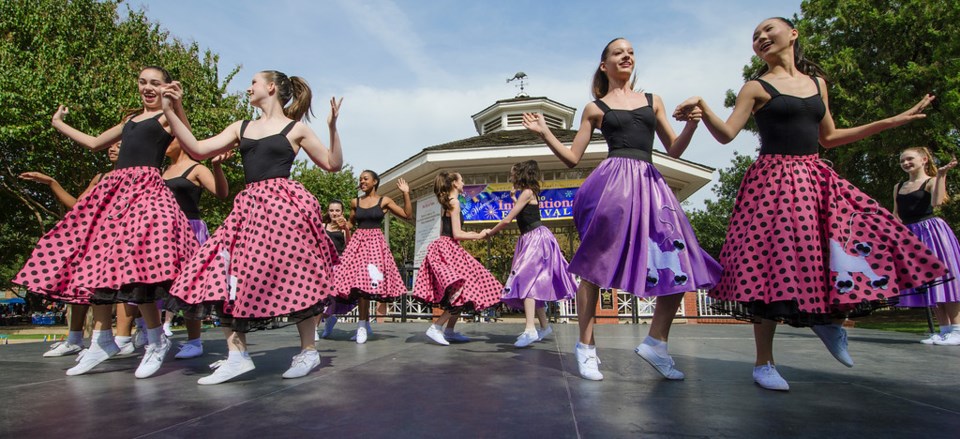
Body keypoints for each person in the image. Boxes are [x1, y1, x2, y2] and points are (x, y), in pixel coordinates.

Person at [673, 17, 947, 390]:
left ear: (793, 34)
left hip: (815, 177)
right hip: (772, 181)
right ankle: (764, 362)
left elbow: (830, 137)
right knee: (767, 265)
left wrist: (892, 120)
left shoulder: (817, 84)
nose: (761, 38)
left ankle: (828, 321)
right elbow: (726, 136)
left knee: (840, 243)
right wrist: (703, 107)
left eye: (768, 30)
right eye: (755, 36)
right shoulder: (755, 87)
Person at [522, 38, 721, 381]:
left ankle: (656, 343)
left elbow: (673, 149)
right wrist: (544, 132)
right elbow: (572, 159)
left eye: (631, 52)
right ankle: (585, 346)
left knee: (677, 260)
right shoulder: (594, 108)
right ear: (604, 65)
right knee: (595, 267)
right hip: (612, 187)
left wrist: (692, 123)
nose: (627, 56)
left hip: (650, 184)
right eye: (619, 52)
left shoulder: (652, 100)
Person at [13, 66, 199, 379]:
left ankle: (155, 341)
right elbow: (95, 142)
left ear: (167, 87)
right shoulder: (130, 121)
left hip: (144, 192)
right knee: (96, 263)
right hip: (115, 192)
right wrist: (59, 123)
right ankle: (101, 340)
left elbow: (190, 142)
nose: (147, 88)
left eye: (155, 83)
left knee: (138, 269)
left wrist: (175, 105)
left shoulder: (166, 115)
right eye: (143, 82)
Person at [161, 70, 343, 384]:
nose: (248, 88)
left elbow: (332, 163)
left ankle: (309, 351)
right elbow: (198, 149)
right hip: (249, 209)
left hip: (284, 208)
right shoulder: (240, 127)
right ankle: (237, 355)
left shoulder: (295, 129)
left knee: (295, 274)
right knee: (223, 272)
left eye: (254, 83)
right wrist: (170, 110)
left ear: (270, 88)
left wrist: (332, 127)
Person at [20, 142, 121, 357]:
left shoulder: (141, 177)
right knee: (81, 288)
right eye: (110, 146)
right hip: (97, 239)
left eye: (119, 146)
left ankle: (125, 338)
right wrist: (51, 182)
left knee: (125, 294)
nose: (112, 149)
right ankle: (75, 339)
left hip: (121, 240)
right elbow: (77, 205)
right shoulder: (101, 178)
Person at [484, 160, 576, 347]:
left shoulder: (526, 193)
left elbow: (508, 219)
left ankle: (530, 329)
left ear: (521, 175)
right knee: (532, 281)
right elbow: (524, 213)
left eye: (513, 174)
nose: (511, 177)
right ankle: (543, 326)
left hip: (535, 239)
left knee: (525, 279)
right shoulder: (526, 194)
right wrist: (512, 199)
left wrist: (489, 233)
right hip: (530, 238)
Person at [412, 171, 503, 345]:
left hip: (447, 248)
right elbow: (456, 233)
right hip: (449, 248)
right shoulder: (454, 203)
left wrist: (474, 234)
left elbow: (447, 232)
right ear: (454, 183)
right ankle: (436, 327)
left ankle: (450, 330)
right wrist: (478, 235)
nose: (463, 183)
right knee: (464, 287)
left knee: (462, 288)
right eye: (462, 180)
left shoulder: (448, 203)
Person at [159, 139, 231, 358]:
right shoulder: (161, 171)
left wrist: (217, 166)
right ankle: (150, 334)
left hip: (190, 229)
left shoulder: (197, 168)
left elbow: (222, 193)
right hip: (163, 232)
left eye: (168, 139)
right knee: (159, 281)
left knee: (189, 283)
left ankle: (194, 341)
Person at [331, 170, 412, 343]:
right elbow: (351, 224)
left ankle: (363, 325)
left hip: (375, 244)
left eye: (365, 179)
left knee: (367, 284)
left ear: (375, 181)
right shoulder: (355, 201)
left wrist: (405, 193)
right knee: (359, 284)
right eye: (360, 179)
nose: (362, 181)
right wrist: (343, 224)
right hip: (358, 244)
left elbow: (407, 215)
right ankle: (362, 325)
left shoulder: (384, 200)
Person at [893, 148, 960, 345]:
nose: (906, 163)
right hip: (910, 235)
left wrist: (941, 175)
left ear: (923, 160)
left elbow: (937, 202)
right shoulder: (899, 186)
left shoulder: (931, 181)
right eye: (902, 160)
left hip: (931, 231)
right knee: (928, 283)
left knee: (944, 280)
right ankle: (944, 330)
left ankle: (957, 329)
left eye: (909, 159)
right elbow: (896, 214)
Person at [317, 199, 353, 339]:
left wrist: (346, 229)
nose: (334, 213)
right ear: (328, 212)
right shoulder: (322, 226)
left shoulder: (344, 229)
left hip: (338, 265)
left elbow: (349, 246)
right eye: (332, 210)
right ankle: (316, 326)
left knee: (332, 297)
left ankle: (328, 319)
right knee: (320, 297)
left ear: (342, 212)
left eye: (337, 210)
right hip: (324, 264)